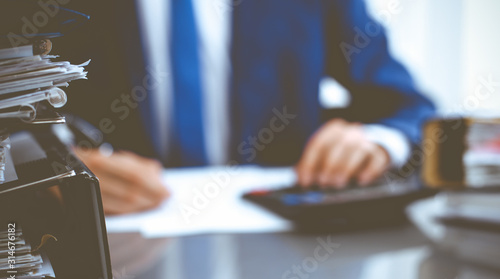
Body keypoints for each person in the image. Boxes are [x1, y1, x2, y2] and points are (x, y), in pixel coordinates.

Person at [63, 0, 435, 215]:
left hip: (285, 252)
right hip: (115, 251)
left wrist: (378, 141)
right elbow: (12, 122)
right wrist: (49, 168)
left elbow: (409, 107)